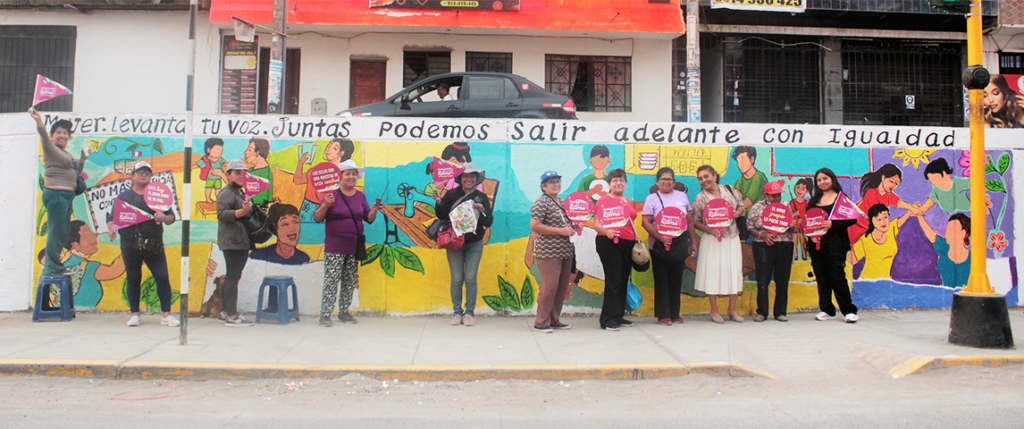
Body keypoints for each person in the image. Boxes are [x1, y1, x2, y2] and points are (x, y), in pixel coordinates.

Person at [105, 161, 178, 327]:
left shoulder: (158, 196)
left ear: (151, 176)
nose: (144, 174)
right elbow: (112, 219)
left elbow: (171, 218)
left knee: (162, 276)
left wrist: (164, 218)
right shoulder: (123, 196)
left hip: (153, 243)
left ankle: (166, 314)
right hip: (129, 243)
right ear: (132, 176)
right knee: (133, 278)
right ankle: (135, 314)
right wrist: (111, 230)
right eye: (140, 172)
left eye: (147, 172)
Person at [315, 160, 381, 327]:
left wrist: (374, 209)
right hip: (335, 247)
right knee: (331, 280)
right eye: (348, 174)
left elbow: (369, 219)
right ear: (341, 177)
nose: (351, 177)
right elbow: (317, 218)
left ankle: (344, 312)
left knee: (350, 280)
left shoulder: (361, 197)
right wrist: (326, 205)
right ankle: (325, 314)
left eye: (354, 174)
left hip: (353, 246)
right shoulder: (332, 196)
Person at [434, 163, 493, 327]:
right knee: (457, 278)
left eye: (472, 176)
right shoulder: (451, 194)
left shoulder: (481, 197)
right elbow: (441, 215)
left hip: (474, 243)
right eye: (466, 176)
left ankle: (469, 313)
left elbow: (488, 222)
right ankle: (457, 312)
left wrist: (482, 211)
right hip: (454, 242)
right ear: (460, 178)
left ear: (476, 179)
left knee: (471, 278)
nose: (469, 179)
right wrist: (439, 202)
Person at [30, 107, 86, 277]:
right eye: (59, 132)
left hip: (66, 196)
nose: (63, 135)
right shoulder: (50, 148)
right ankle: (52, 267)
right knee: (56, 231)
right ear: (52, 135)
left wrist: (83, 158)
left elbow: (77, 170)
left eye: (66, 133)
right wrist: (38, 119)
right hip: (56, 195)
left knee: (62, 232)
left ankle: (55, 265)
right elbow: (42, 135)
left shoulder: (65, 153)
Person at [690, 165, 746, 324]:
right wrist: (708, 229)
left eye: (706, 176)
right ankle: (714, 310)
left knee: (734, 271)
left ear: (715, 175)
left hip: (731, 236)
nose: (703, 180)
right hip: (712, 240)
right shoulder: (700, 198)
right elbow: (695, 221)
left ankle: (732, 309)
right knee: (712, 272)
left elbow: (741, 206)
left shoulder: (729, 190)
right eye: (700, 178)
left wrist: (736, 213)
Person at [641, 167, 696, 326]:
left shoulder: (682, 196)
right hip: (659, 243)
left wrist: (692, 242)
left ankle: (675, 313)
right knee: (661, 278)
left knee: (676, 278)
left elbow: (690, 221)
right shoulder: (652, 198)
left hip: (680, 243)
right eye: (663, 179)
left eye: (670, 179)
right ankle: (663, 314)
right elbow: (645, 221)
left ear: (674, 181)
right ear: (657, 182)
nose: (666, 182)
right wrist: (660, 237)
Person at [807, 168, 859, 323]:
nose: (822, 182)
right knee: (822, 278)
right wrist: (812, 235)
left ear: (832, 179)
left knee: (837, 277)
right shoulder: (814, 200)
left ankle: (849, 311)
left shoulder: (841, 199)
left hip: (836, 245)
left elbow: (853, 218)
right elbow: (808, 221)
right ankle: (827, 310)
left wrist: (833, 224)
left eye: (825, 178)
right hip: (817, 246)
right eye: (819, 180)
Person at [529, 171, 575, 333]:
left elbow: (567, 224)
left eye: (558, 181)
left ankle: (554, 319)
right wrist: (560, 231)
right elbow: (535, 225)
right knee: (549, 286)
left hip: (566, 251)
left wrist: (575, 227)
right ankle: (541, 322)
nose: (556, 185)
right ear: (544, 186)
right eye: (551, 182)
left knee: (561, 287)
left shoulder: (563, 202)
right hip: (549, 252)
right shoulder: (541, 203)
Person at [592, 169, 638, 331]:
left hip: (628, 243)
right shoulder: (604, 200)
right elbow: (596, 223)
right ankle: (607, 319)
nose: (619, 183)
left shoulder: (627, 201)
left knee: (623, 279)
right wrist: (607, 232)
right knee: (614, 279)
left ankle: (618, 315)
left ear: (625, 183)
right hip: (608, 242)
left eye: (622, 180)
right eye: (615, 180)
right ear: (610, 183)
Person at [747, 180, 795, 322]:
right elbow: (749, 226)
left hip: (784, 245)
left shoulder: (786, 206)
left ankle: (780, 312)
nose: (777, 198)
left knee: (782, 278)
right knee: (763, 278)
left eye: (778, 195)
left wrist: (792, 225)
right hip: (763, 245)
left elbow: (794, 227)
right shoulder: (757, 208)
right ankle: (762, 311)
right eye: (773, 196)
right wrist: (762, 234)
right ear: (766, 196)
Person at [217, 159, 254, 327]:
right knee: (233, 276)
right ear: (228, 175)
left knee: (234, 275)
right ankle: (232, 315)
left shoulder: (239, 192)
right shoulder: (227, 193)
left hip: (239, 241)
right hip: (232, 242)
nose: (241, 176)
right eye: (237, 172)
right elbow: (222, 214)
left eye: (244, 173)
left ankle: (225, 311)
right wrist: (241, 211)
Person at [848, 163, 921, 244]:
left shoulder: (887, 195)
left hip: (869, 230)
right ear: (883, 178)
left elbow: (898, 202)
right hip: (857, 227)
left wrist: (912, 208)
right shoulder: (871, 192)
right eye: (891, 181)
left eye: (896, 184)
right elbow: (876, 214)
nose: (893, 185)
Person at [295, 138, 354, 222]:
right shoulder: (318, 168)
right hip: (307, 208)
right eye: (329, 145)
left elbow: (321, 197)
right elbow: (298, 180)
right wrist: (301, 162)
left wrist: (321, 178)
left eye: (334, 148)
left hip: (326, 211)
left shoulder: (343, 174)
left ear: (341, 153)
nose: (328, 148)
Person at [850, 204, 915, 280]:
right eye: (879, 219)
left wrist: (911, 210)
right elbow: (849, 261)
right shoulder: (865, 240)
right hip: (868, 282)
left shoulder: (891, 229)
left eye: (885, 217)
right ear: (872, 221)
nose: (883, 222)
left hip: (886, 282)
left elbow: (902, 219)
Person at [918, 213, 971, 288]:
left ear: (964, 232)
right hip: (945, 296)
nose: (947, 233)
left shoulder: (973, 258)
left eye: (952, 229)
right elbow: (930, 234)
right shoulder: (944, 248)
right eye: (948, 229)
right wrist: (919, 216)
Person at [732, 146, 767, 215]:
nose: (740, 165)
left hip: (758, 217)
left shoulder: (759, 177)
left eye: (743, 161)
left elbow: (748, 202)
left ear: (752, 159)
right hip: (746, 217)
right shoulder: (742, 178)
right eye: (739, 162)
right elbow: (735, 195)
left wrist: (731, 211)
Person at [244, 137, 274, 206]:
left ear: (257, 153)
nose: (245, 152)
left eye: (249, 150)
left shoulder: (263, 174)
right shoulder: (251, 170)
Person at [195, 138, 226, 203]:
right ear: (209, 150)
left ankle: (219, 199)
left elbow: (225, 166)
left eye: (220, 150)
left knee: (218, 189)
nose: (219, 153)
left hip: (218, 179)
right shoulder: (205, 160)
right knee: (209, 188)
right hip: (210, 178)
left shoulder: (221, 160)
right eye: (216, 150)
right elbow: (195, 166)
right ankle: (208, 198)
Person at [789, 178, 813, 261]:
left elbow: (808, 216)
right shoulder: (792, 202)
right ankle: (795, 254)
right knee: (795, 240)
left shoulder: (806, 203)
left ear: (806, 191)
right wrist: (795, 214)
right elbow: (789, 215)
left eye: (803, 189)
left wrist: (802, 219)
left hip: (802, 225)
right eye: (798, 187)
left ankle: (804, 254)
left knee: (803, 240)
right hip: (795, 225)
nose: (800, 190)